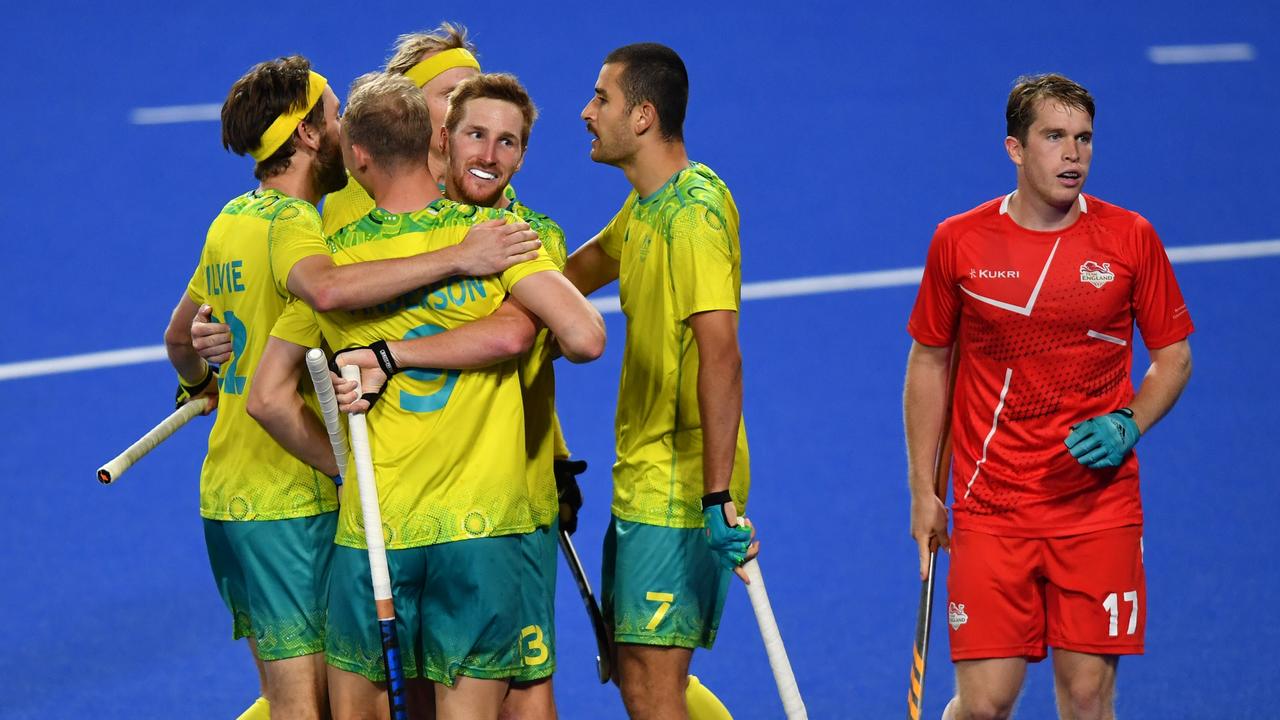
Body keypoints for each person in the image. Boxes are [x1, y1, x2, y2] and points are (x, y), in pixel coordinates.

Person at [274, 72, 602, 720]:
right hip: (483, 534)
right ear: (437, 139)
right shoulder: (500, 240)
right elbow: (586, 336)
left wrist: (345, 459)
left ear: (358, 157)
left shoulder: (340, 264)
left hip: (374, 531)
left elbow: (266, 398)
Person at [903, 73, 1194, 720]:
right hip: (990, 501)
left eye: (1085, 139)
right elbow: (929, 360)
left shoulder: (1129, 238)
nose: (1074, 154)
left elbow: (1172, 357)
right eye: (1055, 137)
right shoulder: (960, 241)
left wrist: (1131, 422)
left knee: (1087, 698)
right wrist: (924, 489)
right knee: (984, 704)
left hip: (1096, 505)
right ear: (1015, 148)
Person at [564, 42, 755, 720]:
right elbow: (576, 272)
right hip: (646, 474)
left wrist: (717, 494)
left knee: (652, 690)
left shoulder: (694, 214)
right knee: (637, 675)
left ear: (643, 116)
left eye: (602, 100)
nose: (587, 112)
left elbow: (721, 352)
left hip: (682, 487)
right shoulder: (646, 207)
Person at [161, 54, 348, 720]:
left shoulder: (232, 217)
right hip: (287, 506)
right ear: (306, 135)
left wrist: (204, 385)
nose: (346, 126)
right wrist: (346, 471)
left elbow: (180, 339)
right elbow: (323, 292)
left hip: (227, 498)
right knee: (305, 710)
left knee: (293, 701)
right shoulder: (299, 227)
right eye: (335, 113)